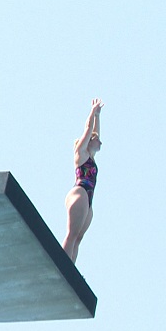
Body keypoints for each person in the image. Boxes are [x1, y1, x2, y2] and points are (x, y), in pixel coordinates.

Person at [62, 98, 104, 262]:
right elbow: (89, 130)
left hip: (89, 198)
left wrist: (98, 116)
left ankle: (71, 267)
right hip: (79, 192)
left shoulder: (91, 157)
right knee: (72, 234)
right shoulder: (82, 153)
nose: (100, 141)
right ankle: (63, 263)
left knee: (78, 239)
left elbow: (95, 133)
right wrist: (92, 112)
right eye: (96, 139)